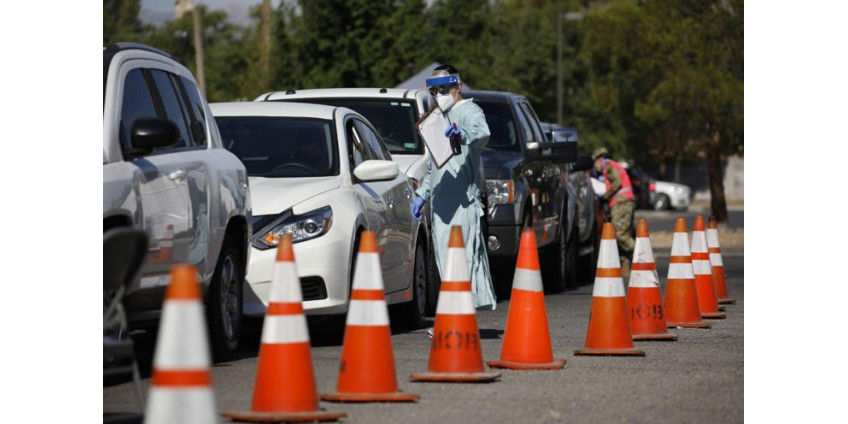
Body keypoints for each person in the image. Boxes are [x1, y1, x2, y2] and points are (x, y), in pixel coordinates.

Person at [411, 64, 496, 315]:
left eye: (444, 89)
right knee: (445, 263)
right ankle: (452, 315)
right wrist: (423, 194)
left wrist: (464, 134)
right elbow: (434, 163)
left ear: (458, 86)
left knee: (463, 261)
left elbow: (482, 134)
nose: (440, 94)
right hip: (440, 205)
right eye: (435, 90)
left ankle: (458, 316)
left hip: (462, 203)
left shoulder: (470, 111)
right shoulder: (437, 117)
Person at [593, 147, 636, 277]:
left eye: (595, 163)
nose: (596, 167)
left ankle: (644, 255)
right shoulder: (613, 165)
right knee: (623, 233)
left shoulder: (608, 166)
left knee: (620, 234)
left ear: (599, 159)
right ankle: (626, 270)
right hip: (624, 202)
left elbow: (616, 182)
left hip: (622, 203)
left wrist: (605, 196)